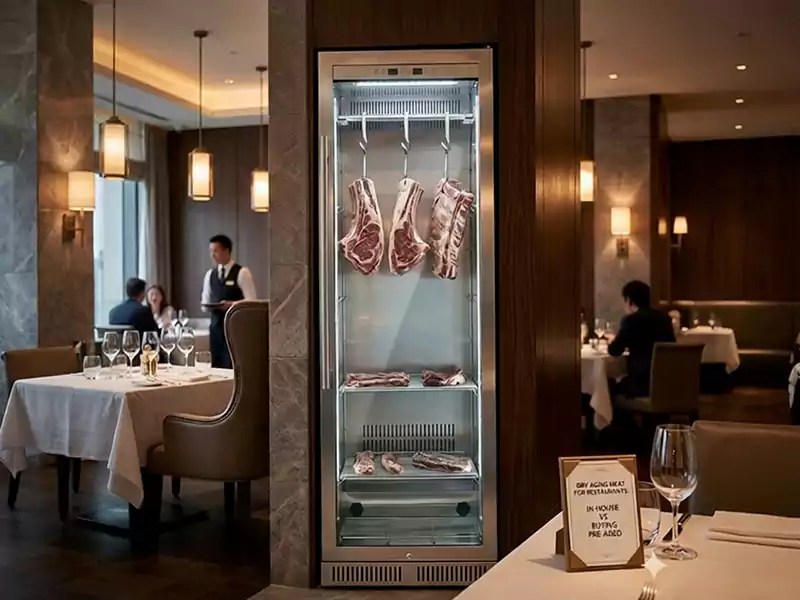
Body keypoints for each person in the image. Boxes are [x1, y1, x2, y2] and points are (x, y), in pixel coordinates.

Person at [608, 280, 675, 398]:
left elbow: (614, 350)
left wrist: (612, 341)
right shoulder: (665, 319)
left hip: (641, 385)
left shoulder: (631, 320)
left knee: (608, 385)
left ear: (629, 301)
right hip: (667, 383)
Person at [201, 234, 257, 368]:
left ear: (226, 251)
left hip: (235, 327)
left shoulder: (242, 272)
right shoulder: (210, 274)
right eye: (211, 251)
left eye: (216, 251)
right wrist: (210, 306)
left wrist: (232, 305)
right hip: (216, 328)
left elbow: (252, 302)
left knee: (234, 364)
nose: (212, 255)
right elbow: (204, 303)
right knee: (217, 365)